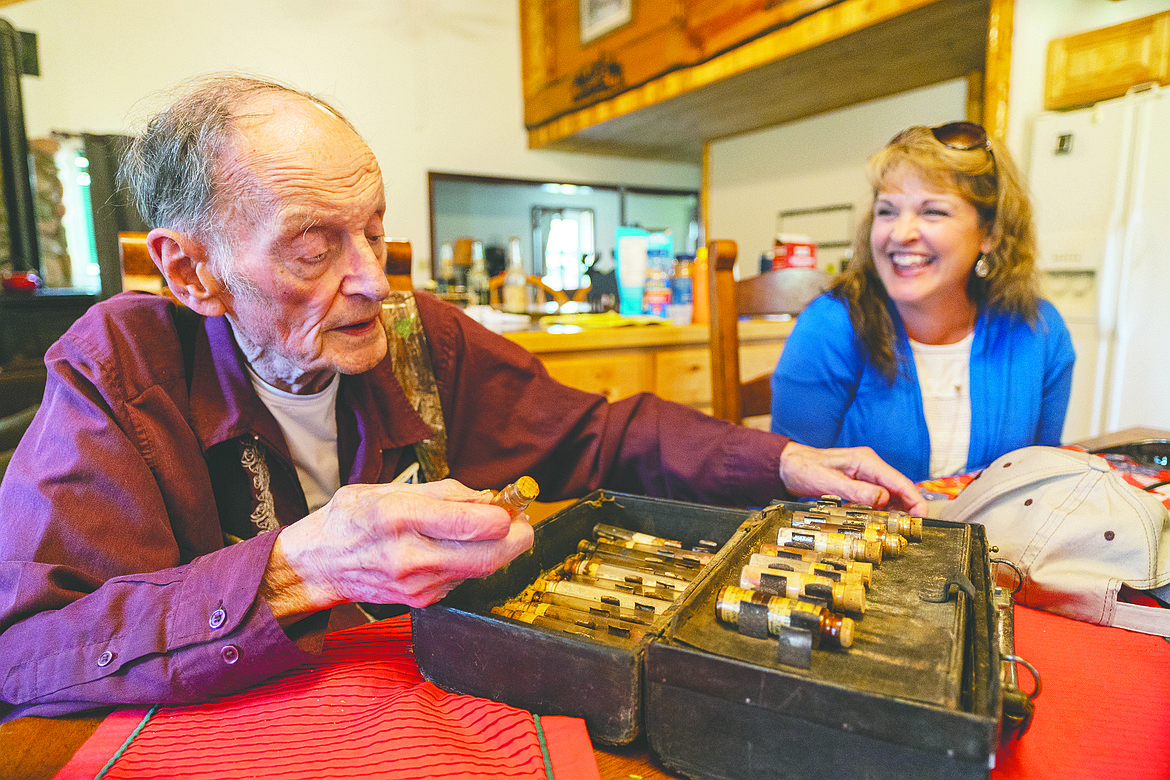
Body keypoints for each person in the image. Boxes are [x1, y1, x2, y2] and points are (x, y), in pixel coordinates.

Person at [0, 74, 925, 721]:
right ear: (192, 271)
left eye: (375, 228)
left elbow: (596, 435)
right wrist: (300, 568)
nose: (371, 280)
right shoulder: (120, 370)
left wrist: (782, 459)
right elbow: (28, 653)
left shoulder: (418, 338)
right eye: (314, 247)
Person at [771, 121, 1075, 483]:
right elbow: (790, 491)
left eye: (933, 211)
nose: (900, 234)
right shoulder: (830, 326)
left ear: (990, 234)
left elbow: (1042, 481)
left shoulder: (1039, 329)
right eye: (887, 211)